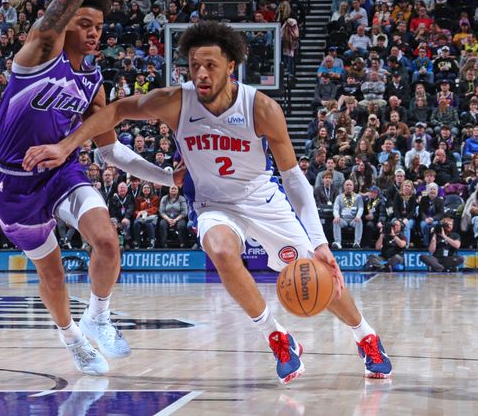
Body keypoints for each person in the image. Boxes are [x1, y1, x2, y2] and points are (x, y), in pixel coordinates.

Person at [24, 20, 392, 383]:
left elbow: (294, 179)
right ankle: (277, 337)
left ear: (232, 66)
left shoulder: (261, 108)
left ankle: (366, 336)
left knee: (316, 278)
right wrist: (66, 145)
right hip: (213, 205)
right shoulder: (175, 102)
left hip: (263, 200)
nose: (200, 73)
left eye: (210, 65)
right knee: (219, 250)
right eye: (194, 65)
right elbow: (117, 111)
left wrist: (319, 243)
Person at [0, 0, 181, 376]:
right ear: (64, 24)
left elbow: (111, 150)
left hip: (62, 171)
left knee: (108, 241)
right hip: (13, 182)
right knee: (49, 269)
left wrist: (164, 177)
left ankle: (97, 318)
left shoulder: (93, 81)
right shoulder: (37, 55)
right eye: (85, 23)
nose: (94, 32)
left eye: (99, 26)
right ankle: (69, 334)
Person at [332, 179, 364, 249]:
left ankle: (357, 243)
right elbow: (336, 208)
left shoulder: (358, 197)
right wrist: (336, 216)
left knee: (359, 221)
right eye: (347, 185)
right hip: (343, 220)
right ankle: (337, 243)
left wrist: (358, 216)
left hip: (354, 219)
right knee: (336, 221)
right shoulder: (339, 197)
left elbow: (361, 208)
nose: (348, 186)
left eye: (350, 185)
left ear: (353, 187)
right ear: (344, 186)